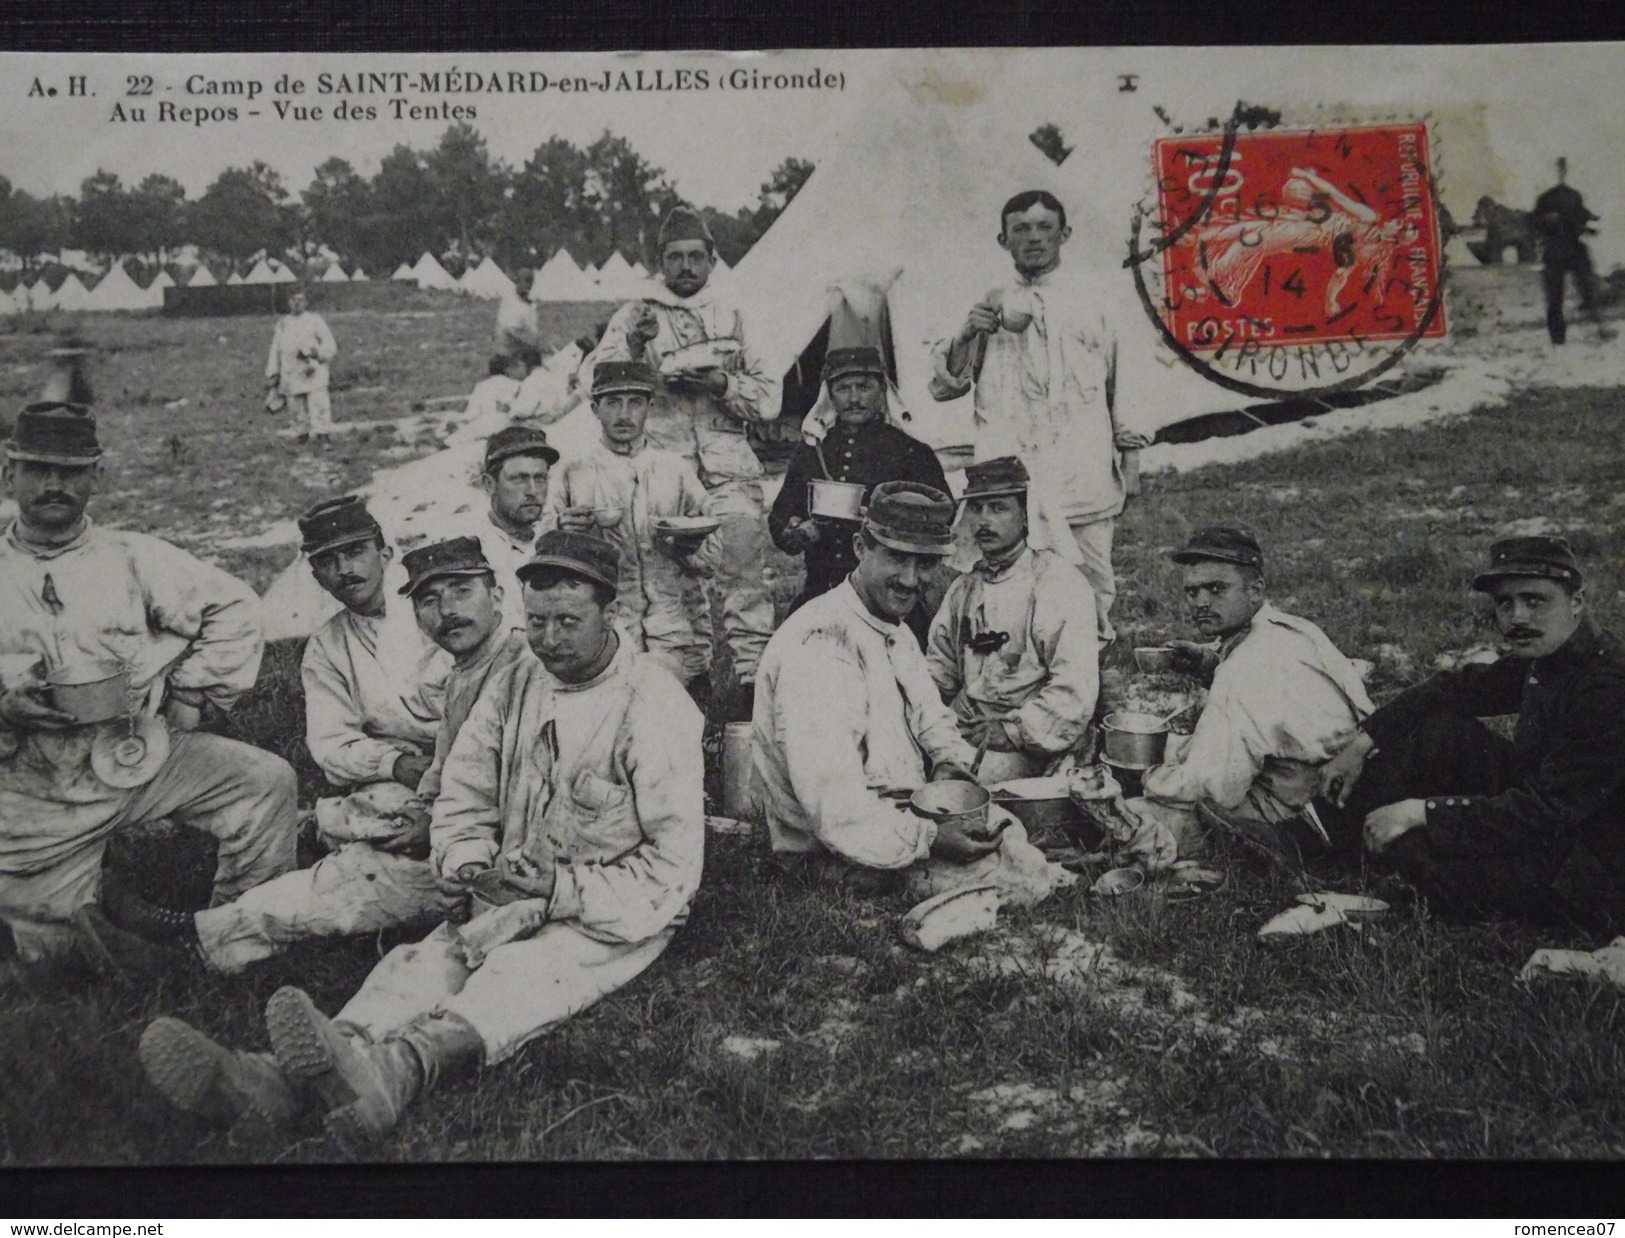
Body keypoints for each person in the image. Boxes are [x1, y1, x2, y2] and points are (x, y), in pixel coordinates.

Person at [138, 530, 704, 1143]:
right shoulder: (519, 680)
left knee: (520, 978)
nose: (549, 640)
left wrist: (560, 888)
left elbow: (672, 871)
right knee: (417, 966)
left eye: (568, 622)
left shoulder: (654, 706)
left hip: (610, 909)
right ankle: (281, 1074)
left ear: (610, 611)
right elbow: (464, 788)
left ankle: (394, 1073)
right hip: (508, 887)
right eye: (537, 622)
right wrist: (466, 859)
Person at [135, 538, 531, 991]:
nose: (447, 610)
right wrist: (425, 812)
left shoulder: (520, 670)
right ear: (417, 615)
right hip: (465, 832)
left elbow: (520, 798)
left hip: (508, 859)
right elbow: (446, 767)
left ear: (496, 595)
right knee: (368, 859)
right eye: (429, 599)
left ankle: (191, 944)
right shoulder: (467, 667)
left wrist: (438, 828)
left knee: (368, 876)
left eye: (462, 591)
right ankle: (206, 930)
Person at [0, 402, 296, 972]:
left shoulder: (132, 556)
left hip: (135, 754)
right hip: (30, 785)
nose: (55, 484)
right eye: (39, 469)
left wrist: (190, 698)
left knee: (266, 783)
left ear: (98, 476)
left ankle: (229, 938)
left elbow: (234, 607)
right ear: (8, 473)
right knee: (58, 955)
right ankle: (103, 902)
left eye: (72, 471)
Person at [1322, 536, 1625, 926]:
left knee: (1425, 865)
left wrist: (1424, 812)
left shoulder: (1607, 687)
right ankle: (1318, 833)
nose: (1517, 618)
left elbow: (1548, 808)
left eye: (1535, 601)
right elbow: (1455, 689)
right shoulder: (1553, 654)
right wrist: (1362, 742)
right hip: (1552, 818)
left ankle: (1363, 844)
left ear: (1577, 603)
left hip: (1593, 862)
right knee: (1440, 732)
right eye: (1506, 603)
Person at [930, 190, 1152, 646]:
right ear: (1003, 239)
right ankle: (1014, 677)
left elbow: (1125, 382)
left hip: (1082, 466)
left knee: (1090, 578)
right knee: (1014, 580)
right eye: (1021, 230)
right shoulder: (989, 303)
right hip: (1013, 473)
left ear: (1064, 234)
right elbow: (945, 386)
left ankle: (1089, 673)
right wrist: (967, 331)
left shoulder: (1097, 300)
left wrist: (1131, 462)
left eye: (1044, 227)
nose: (1033, 239)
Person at [585, 205, 780, 710]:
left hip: (728, 466)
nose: (686, 267)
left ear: (714, 260)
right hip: (664, 467)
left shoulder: (734, 313)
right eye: (676, 258)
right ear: (660, 263)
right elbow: (599, 382)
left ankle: (752, 679)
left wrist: (722, 383)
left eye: (696, 256)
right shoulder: (638, 313)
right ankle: (687, 674)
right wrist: (634, 344)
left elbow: (769, 398)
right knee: (669, 570)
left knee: (743, 567)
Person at [751, 482, 995, 883]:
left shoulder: (888, 624)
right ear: (860, 547)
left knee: (1009, 827)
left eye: (926, 563)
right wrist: (931, 837)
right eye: (896, 558)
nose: (910, 579)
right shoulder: (821, 645)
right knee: (1013, 869)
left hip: (901, 814)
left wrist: (950, 764)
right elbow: (835, 810)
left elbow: (930, 716)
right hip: (833, 848)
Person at [1135, 526, 1374, 867]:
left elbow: (1209, 785)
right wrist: (1208, 663)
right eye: (1192, 592)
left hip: (1303, 815)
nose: (1201, 602)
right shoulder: (1292, 629)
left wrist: (1143, 777)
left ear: (1256, 589)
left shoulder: (1246, 668)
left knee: (1141, 817)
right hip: (1355, 784)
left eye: (1217, 589)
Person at [541, 360, 716, 695]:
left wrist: (688, 547)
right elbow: (543, 549)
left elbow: (713, 555)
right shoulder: (575, 472)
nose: (624, 415)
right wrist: (564, 531)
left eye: (634, 402)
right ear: (594, 408)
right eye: (612, 403)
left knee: (682, 720)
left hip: (674, 625)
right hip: (609, 628)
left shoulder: (674, 470)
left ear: (650, 407)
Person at [926, 456, 1100, 783]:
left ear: (1025, 515)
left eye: (998, 508)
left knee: (969, 786)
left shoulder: (1057, 584)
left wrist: (1012, 731)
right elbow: (940, 665)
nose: (983, 521)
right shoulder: (965, 587)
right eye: (976, 508)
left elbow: (1074, 687)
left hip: (1034, 734)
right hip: (970, 722)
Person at [769, 346, 950, 646]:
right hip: (822, 588)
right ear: (830, 393)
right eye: (843, 388)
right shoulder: (812, 451)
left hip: (889, 595)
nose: (854, 398)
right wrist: (796, 531)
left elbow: (944, 511)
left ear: (881, 389)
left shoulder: (911, 451)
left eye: (864, 387)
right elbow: (780, 518)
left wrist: (895, 519)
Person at [298, 495, 450, 816]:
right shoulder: (326, 647)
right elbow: (331, 741)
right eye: (328, 561)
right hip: (406, 767)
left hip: (476, 750)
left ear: (385, 555)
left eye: (355, 552)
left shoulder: (438, 606)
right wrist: (394, 764)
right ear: (316, 576)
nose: (344, 570)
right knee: (379, 813)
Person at [451, 424, 560, 631]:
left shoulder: (551, 538)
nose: (532, 491)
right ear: (489, 484)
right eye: (518, 479)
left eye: (540, 478)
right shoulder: (472, 550)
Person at [1531, 158, 1613, 346]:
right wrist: (1547, 220)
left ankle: (1600, 328)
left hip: (1573, 247)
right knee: (1555, 297)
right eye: (1558, 167)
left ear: (1565, 170)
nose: (1561, 171)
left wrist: (1590, 222)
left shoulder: (1573, 195)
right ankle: (1558, 340)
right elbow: (1533, 222)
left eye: (1563, 167)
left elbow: (1580, 217)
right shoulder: (1545, 198)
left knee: (1589, 289)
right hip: (1554, 249)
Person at [265, 286, 338, 439]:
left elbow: (330, 344)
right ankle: (302, 436)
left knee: (319, 404)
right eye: (293, 300)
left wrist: (316, 352)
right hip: (291, 372)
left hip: (312, 369)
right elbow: (275, 349)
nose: (297, 304)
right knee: (296, 408)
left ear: (306, 302)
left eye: (300, 300)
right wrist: (273, 373)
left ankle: (323, 435)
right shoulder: (283, 323)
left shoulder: (315, 320)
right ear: (288, 303)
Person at [493, 267, 539, 360]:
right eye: (525, 282)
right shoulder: (509, 301)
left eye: (530, 282)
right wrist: (531, 344)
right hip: (508, 353)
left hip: (522, 349)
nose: (528, 286)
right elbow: (511, 330)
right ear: (517, 282)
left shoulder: (528, 303)